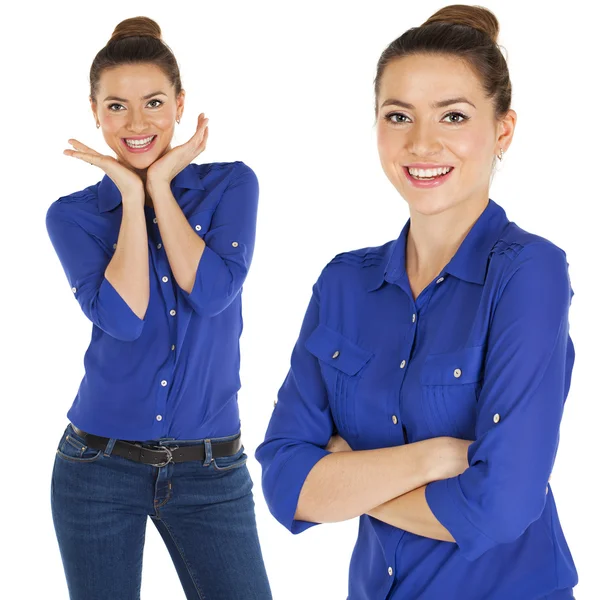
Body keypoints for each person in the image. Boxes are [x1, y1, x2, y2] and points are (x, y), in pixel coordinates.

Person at [256, 5, 578, 599]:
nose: (421, 143)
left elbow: (499, 508)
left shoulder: (530, 272)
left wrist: (349, 477)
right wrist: (436, 458)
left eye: (453, 115)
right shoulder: (343, 284)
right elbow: (284, 485)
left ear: (503, 129)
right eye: (397, 115)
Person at [46, 16, 272, 600]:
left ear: (179, 104)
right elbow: (124, 318)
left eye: (153, 103)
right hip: (96, 468)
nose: (137, 122)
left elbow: (213, 292)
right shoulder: (72, 215)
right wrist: (129, 194)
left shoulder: (232, 186)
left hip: (212, 472)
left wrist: (162, 187)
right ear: (94, 112)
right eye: (116, 107)